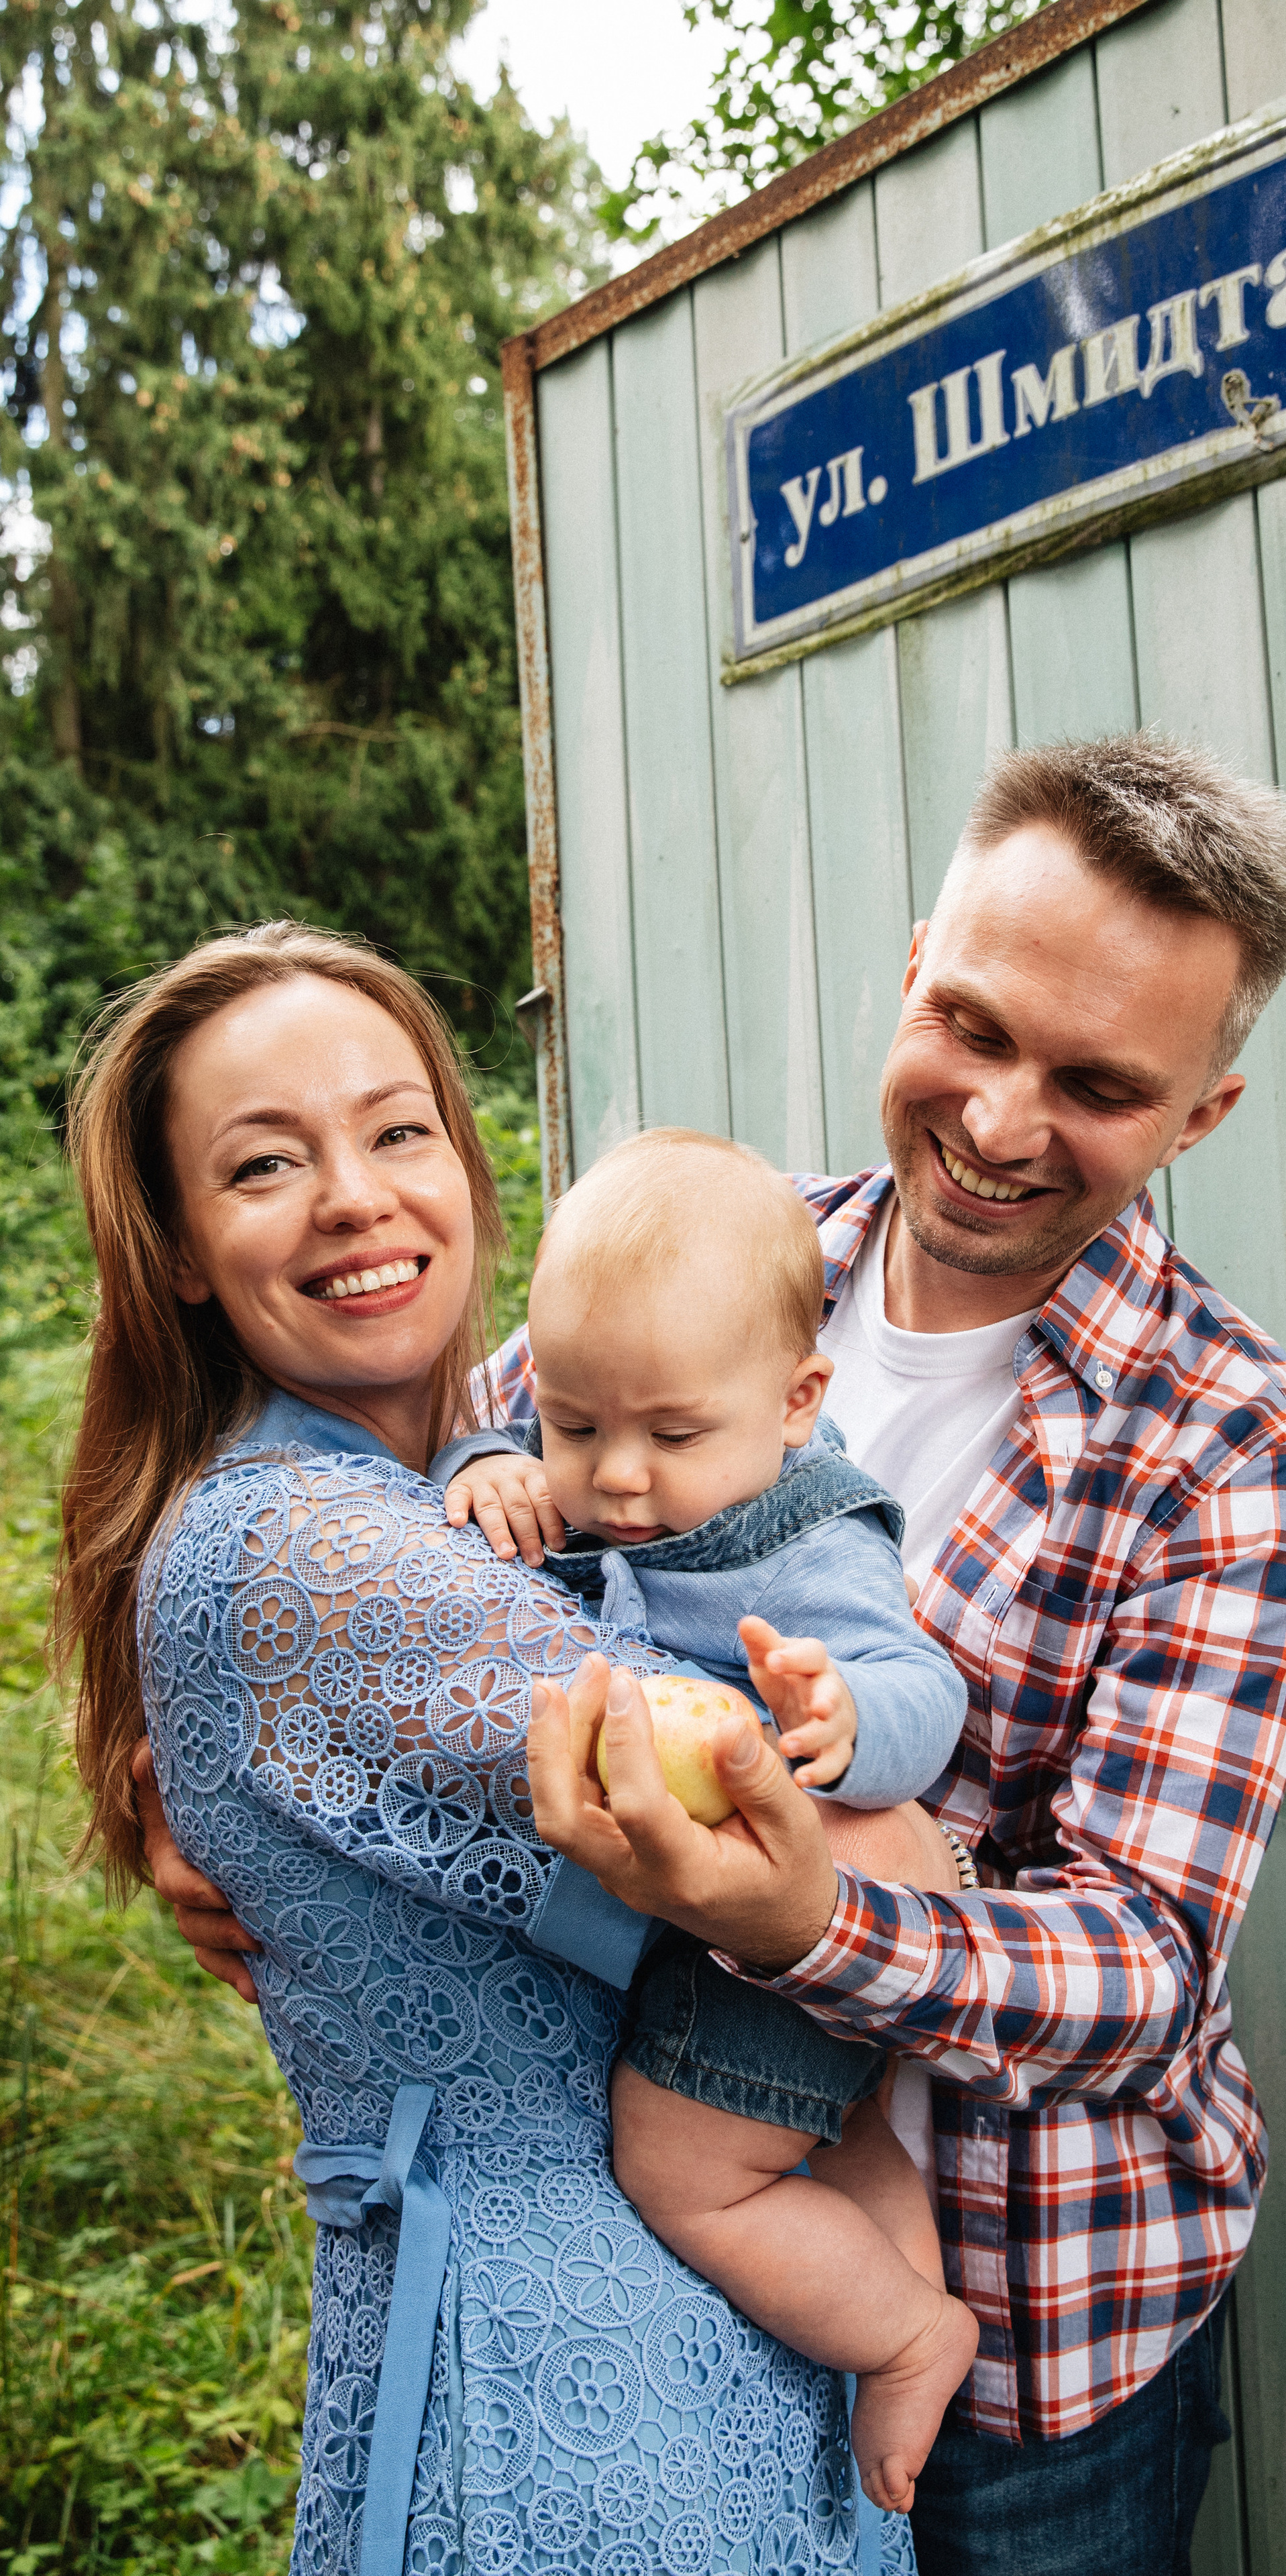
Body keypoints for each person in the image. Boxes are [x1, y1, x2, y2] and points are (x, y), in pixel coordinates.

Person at [146, 732, 1286, 2576]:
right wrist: (198, 1795)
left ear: (1205, 1113)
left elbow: (1147, 1969)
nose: (1005, 1120)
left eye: (1100, 1084)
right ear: (914, 974)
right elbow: (432, 1545)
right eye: (975, 1026)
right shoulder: (713, 1259)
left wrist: (816, 1922)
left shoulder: (1231, 1443)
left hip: (1041, 2322)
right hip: (705, 2311)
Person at [64, 922, 916, 2576]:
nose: (355, 1195)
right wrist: (917, 1837)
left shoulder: (506, 1467)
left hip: (705, 2360)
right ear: (176, 1246)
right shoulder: (313, 1548)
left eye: (397, 1130)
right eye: (263, 1164)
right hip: (562, 2405)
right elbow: (774, 1835)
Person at [433, 1128, 979, 2511]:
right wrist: (487, 1460)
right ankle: (895, 2280)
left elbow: (929, 1686)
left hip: (797, 1928)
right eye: (572, 1424)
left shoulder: (805, 1537)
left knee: (685, 2170)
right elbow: (509, 1433)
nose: (614, 1478)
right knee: (832, 2137)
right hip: (741, 1945)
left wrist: (844, 1718)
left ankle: (914, 2335)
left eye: (671, 1435)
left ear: (799, 1401)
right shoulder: (616, 1434)